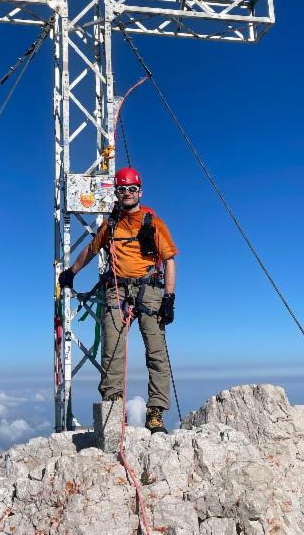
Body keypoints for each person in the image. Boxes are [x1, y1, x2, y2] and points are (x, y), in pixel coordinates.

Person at [57, 166, 177, 433]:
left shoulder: (153, 223)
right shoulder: (111, 225)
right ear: (117, 192)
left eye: (132, 189)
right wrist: (72, 272)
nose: (127, 193)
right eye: (122, 189)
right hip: (116, 290)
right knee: (112, 352)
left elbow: (169, 260)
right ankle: (113, 409)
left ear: (140, 192)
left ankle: (155, 413)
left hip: (149, 290)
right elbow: (91, 250)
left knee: (156, 352)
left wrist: (169, 298)